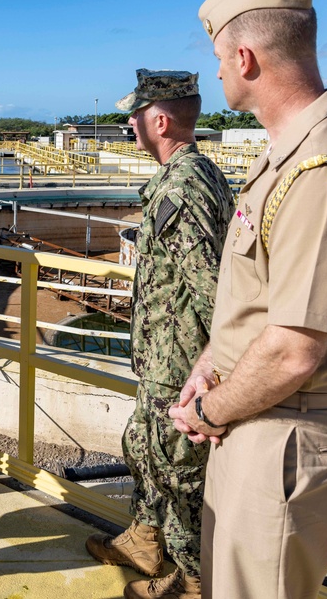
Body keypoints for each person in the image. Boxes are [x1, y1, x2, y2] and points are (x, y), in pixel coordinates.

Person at [168, 0, 327, 599]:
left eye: (219, 60)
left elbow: (295, 349)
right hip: (264, 422)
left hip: (284, 437)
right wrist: (211, 361)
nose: (217, 74)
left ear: (245, 59)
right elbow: (265, 299)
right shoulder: (297, 155)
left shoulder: (318, 169)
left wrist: (209, 409)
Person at [85, 70, 234, 599]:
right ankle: (145, 540)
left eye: (135, 114)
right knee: (143, 447)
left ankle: (195, 582)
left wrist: (212, 368)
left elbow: (211, 285)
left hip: (181, 364)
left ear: (161, 120)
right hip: (166, 359)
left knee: (179, 471)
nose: (128, 122)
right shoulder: (198, 174)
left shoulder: (182, 185)